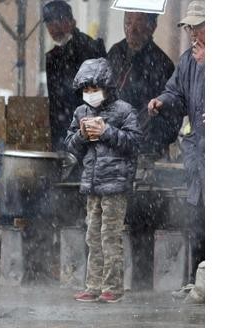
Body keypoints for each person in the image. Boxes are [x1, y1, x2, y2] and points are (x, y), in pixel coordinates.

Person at [107, 11, 182, 290]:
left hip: (145, 159)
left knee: (140, 224)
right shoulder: (114, 55)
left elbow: (172, 117)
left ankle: (140, 286)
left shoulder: (162, 64)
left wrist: (150, 141)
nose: (132, 30)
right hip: (113, 153)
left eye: (138, 24)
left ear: (152, 26)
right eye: (128, 23)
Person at [65, 58, 142, 303]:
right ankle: (93, 285)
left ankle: (112, 286)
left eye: (94, 89)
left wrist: (106, 132)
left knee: (110, 236)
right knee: (92, 235)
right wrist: (82, 135)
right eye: (86, 90)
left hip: (115, 185)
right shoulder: (81, 113)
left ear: (107, 87)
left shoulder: (124, 110)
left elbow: (134, 143)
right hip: (92, 184)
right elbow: (69, 145)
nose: (90, 95)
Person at [147, 0, 205, 297]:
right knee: (196, 220)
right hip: (198, 156)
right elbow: (176, 93)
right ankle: (197, 281)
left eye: (198, 26)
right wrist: (162, 101)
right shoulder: (187, 60)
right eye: (190, 27)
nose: (193, 32)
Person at [44, 0, 106, 152]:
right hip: (62, 131)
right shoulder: (53, 56)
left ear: (71, 22)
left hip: (85, 130)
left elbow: (98, 97)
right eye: (49, 23)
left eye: (59, 21)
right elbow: (55, 101)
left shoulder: (90, 48)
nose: (53, 28)